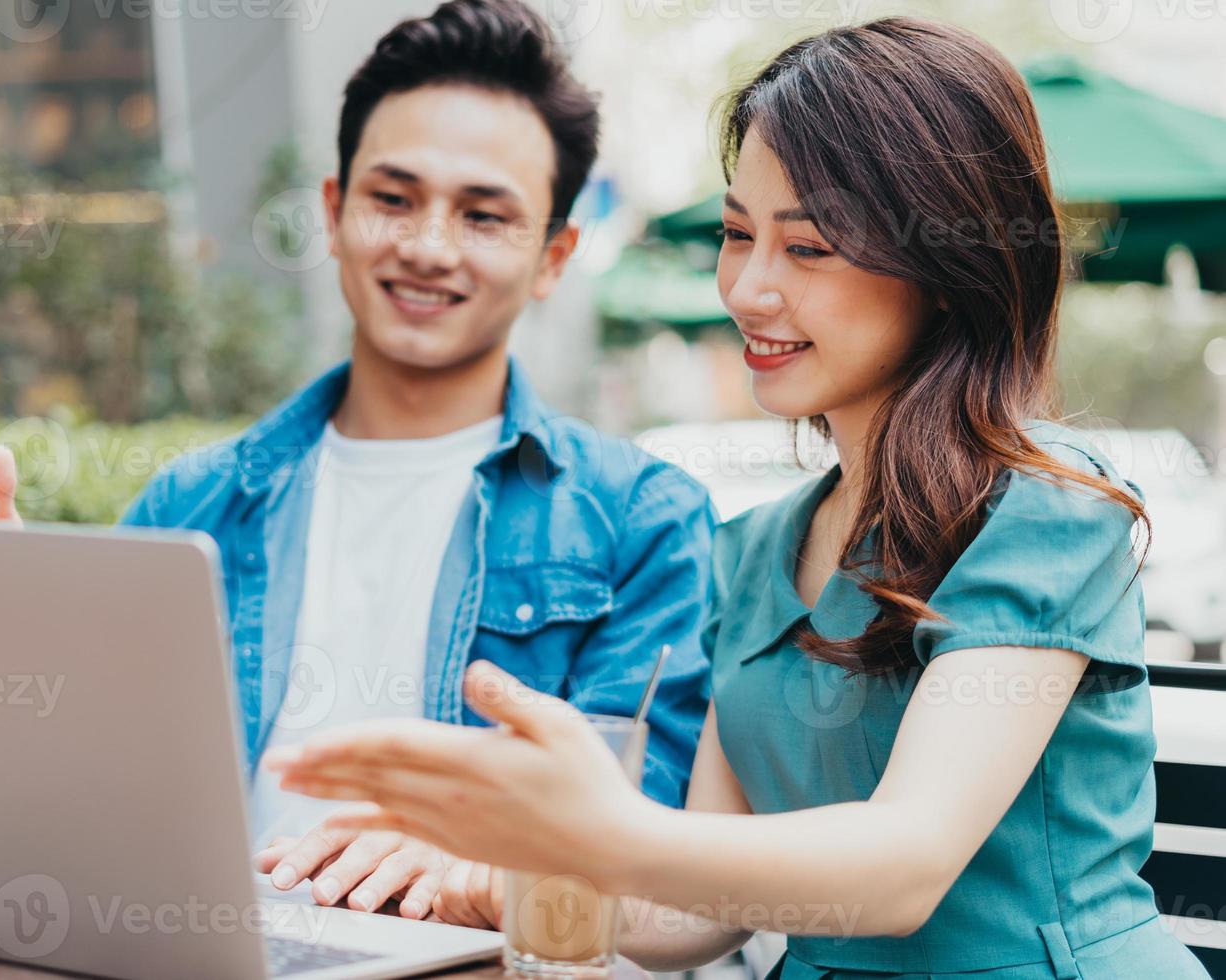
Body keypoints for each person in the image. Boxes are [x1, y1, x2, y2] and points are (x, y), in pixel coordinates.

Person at [265, 16, 1210, 979]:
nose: (748, 289)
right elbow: (693, 920)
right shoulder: (758, 547)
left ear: (942, 270)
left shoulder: (1047, 509)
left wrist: (600, 829)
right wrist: (486, 875)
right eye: (735, 235)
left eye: (807, 249)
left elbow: (902, 869)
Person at [0, 0, 716, 929]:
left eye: (484, 215)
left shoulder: (643, 522)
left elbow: (652, 839)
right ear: (333, 210)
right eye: (392, 199)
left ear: (554, 256)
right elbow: (87, 798)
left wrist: (474, 860)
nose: (427, 246)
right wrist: (6, 650)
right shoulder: (193, 501)